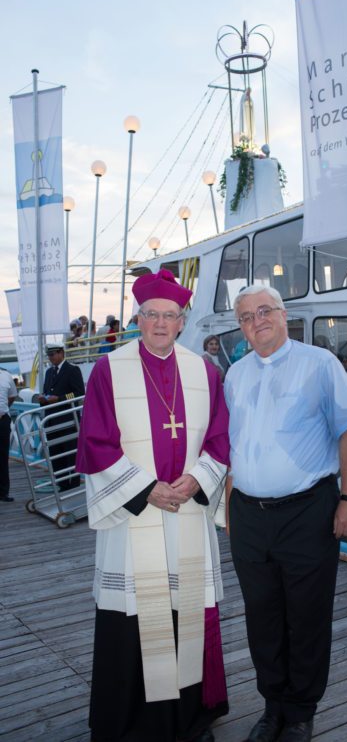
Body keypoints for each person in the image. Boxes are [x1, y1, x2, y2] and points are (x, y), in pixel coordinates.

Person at [76, 268, 230, 742]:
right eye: (151, 316)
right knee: (133, 617)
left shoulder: (204, 371)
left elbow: (222, 437)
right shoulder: (109, 369)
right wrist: (146, 489)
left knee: (186, 612)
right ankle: (130, 722)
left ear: (183, 321)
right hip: (136, 514)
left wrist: (195, 480)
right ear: (137, 319)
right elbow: (96, 442)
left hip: (186, 507)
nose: (161, 324)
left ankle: (188, 719)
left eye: (170, 316)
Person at [224, 285, 347, 742]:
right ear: (241, 327)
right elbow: (232, 449)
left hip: (307, 511)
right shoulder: (234, 375)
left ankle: (301, 713)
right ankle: (272, 708)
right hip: (248, 514)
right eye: (246, 316)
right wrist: (229, 511)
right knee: (261, 616)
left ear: (284, 315)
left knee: (306, 616)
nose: (256, 320)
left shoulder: (320, 364)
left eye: (264, 311)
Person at [38, 344, 85, 491]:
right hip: (52, 421)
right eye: (49, 356)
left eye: (53, 355)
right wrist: (43, 399)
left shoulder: (72, 370)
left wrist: (59, 399)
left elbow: (79, 393)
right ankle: (62, 485)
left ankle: (74, 486)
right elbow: (48, 391)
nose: (51, 358)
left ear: (61, 353)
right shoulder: (49, 372)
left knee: (71, 455)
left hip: (68, 421)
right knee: (56, 455)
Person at [0, 368, 18, 502]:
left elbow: (12, 395)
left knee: (2, 456)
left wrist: (3, 408)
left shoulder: (6, 375)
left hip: (2, 420)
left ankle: (3, 492)